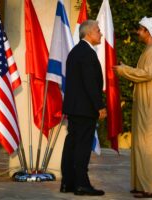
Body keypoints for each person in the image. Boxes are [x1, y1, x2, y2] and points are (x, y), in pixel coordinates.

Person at [114, 16, 152, 199]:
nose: (137, 32)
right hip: (144, 104)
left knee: (149, 147)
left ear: (148, 31)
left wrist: (124, 70)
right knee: (140, 145)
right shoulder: (150, 49)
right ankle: (140, 184)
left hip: (150, 106)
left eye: (140, 29)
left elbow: (147, 74)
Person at [60, 20, 107, 196]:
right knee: (82, 146)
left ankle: (68, 182)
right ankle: (81, 184)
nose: (101, 33)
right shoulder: (87, 53)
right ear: (88, 33)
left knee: (72, 144)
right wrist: (100, 106)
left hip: (74, 108)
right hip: (84, 109)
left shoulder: (76, 51)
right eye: (98, 30)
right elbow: (90, 84)